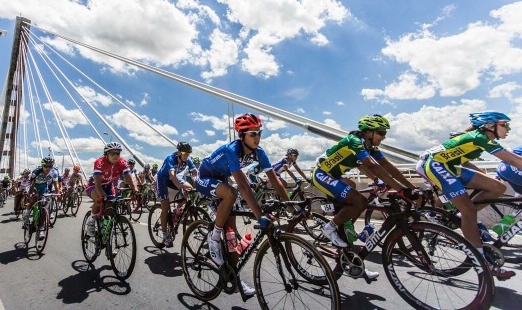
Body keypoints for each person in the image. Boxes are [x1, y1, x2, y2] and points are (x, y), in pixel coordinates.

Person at [194, 113, 291, 296]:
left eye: (259, 133)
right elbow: (243, 186)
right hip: (205, 177)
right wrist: (259, 215)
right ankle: (214, 237)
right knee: (231, 193)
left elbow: (276, 182)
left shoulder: (259, 152)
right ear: (242, 135)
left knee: (231, 236)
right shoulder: (232, 149)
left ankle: (235, 278)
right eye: (252, 134)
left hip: (221, 178)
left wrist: (293, 208)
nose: (257, 138)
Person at [417, 111, 522, 279]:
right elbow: (512, 161)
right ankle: (480, 259)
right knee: (470, 212)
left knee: (498, 187)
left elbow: (511, 157)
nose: (509, 128)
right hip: (434, 166)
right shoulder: (480, 138)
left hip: (448, 166)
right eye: (505, 125)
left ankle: (462, 216)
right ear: (489, 126)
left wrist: (483, 179)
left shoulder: (481, 137)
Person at [313, 114, 418, 279]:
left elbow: (386, 165)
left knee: (348, 226)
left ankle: (354, 262)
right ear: (369, 132)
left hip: (336, 176)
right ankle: (329, 228)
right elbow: (372, 166)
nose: (384, 137)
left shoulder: (369, 147)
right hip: (321, 174)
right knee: (358, 201)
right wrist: (400, 190)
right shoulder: (354, 141)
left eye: (384, 134)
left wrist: (410, 187)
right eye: (381, 133)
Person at [85, 142, 136, 237]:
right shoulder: (99, 162)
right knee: (99, 200)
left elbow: (129, 178)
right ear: (106, 154)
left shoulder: (122, 162)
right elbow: (97, 183)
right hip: (95, 185)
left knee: (109, 207)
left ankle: (104, 225)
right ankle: (91, 222)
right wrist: (102, 195)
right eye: (112, 153)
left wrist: (136, 191)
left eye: (117, 153)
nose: (115, 155)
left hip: (109, 186)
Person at [156, 142, 197, 247]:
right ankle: (165, 235)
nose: (186, 156)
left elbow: (194, 173)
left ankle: (177, 210)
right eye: (184, 153)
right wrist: (180, 189)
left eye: (188, 154)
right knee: (165, 207)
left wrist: (198, 183)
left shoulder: (187, 160)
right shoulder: (170, 159)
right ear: (179, 152)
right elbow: (173, 177)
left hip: (175, 179)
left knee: (190, 189)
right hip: (163, 180)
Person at [25, 157, 55, 240]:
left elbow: (55, 183)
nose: (48, 168)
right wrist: (30, 195)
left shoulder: (53, 172)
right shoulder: (36, 172)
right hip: (32, 185)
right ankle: (27, 214)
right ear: (42, 165)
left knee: (43, 207)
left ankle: (41, 227)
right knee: (33, 198)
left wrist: (56, 192)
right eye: (46, 166)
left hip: (42, 186)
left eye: (50, 166)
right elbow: (32, 185)